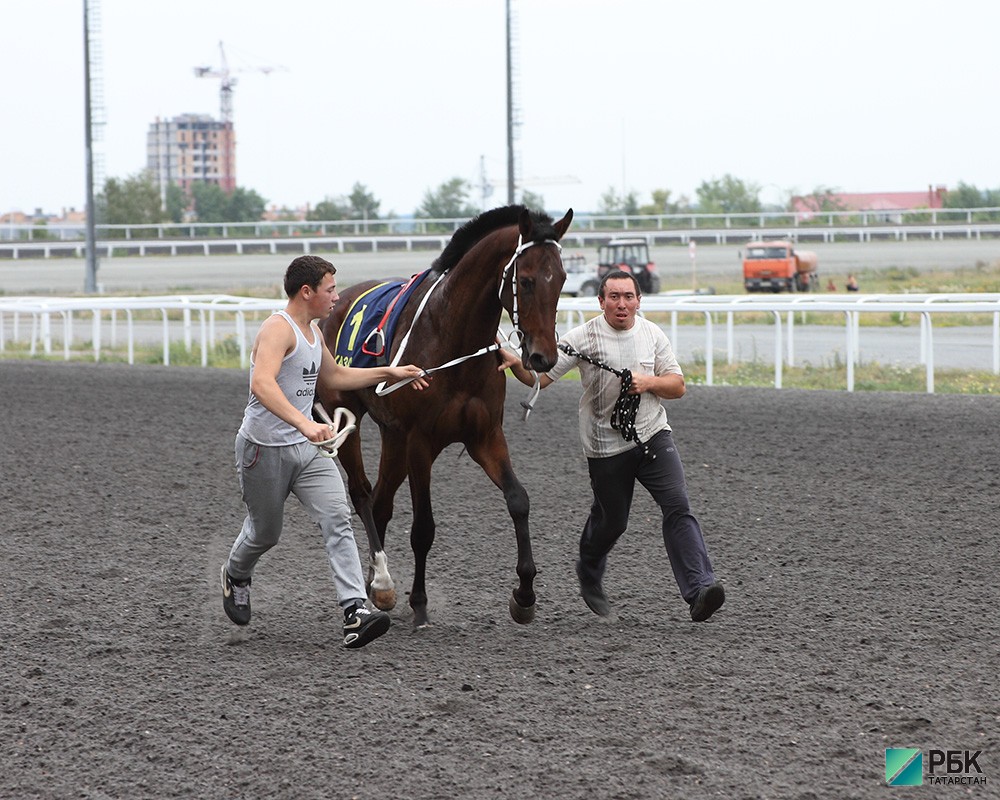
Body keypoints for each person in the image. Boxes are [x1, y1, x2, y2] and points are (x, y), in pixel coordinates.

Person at [221, 254, 429, 648]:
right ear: (307, 292)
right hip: (264, 450)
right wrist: (305, 423)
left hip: (308, 450)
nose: (336, 297)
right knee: (266, 533)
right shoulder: (277, 330)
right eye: (330, 289)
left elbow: (335, 376)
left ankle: (355, 611)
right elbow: (262, 385)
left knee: (338, 518)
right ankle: (236, 572)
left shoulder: (315, 334)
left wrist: (391, 371)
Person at [499, 270, 725, 622]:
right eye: (614, 297)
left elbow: (677, 386)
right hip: (606, 449)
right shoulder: (583, 337)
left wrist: (648, 382)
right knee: (613, 522)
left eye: (628, 297)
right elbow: (539, 378)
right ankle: (589, 567)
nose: (622, 304)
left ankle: (700, 588)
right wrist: (517, 366)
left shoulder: (652, 334)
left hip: (653, 437)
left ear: (639, 301)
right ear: (601, 301)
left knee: (678, 506)